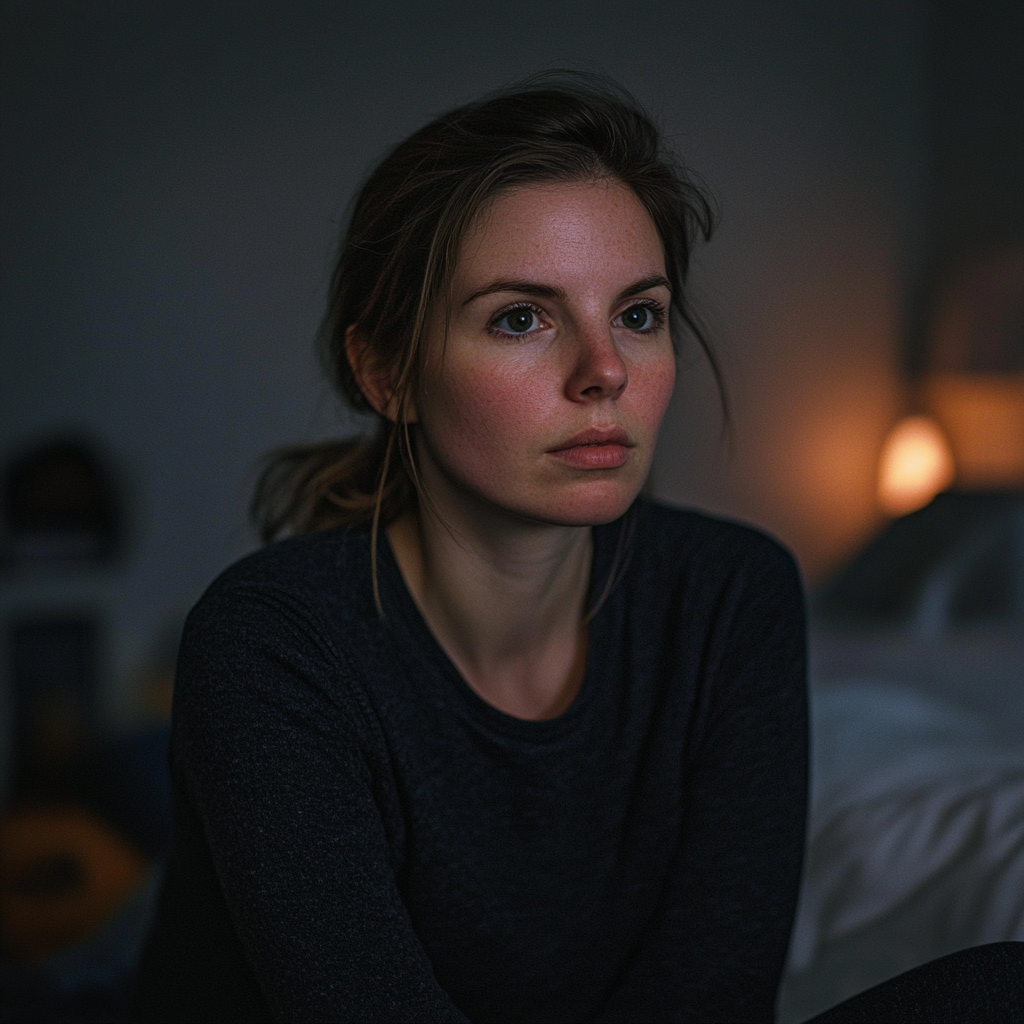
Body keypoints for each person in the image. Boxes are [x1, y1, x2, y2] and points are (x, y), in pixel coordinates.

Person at [131, 76, 1021, 1024]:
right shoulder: (271, 642)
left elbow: (709, 1001)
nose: (605, 371)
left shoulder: (729, 595)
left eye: (638, 314)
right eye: (522, 317)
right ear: (386, 373)